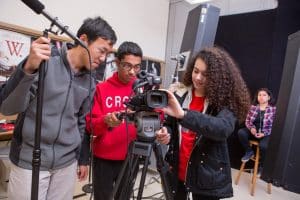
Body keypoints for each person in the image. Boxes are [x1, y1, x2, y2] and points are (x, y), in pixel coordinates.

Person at [0, 16, 117, 200]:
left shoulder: (90, 82)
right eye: (101, 51)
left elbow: (81, 123)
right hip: (30, 162)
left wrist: (81, 158)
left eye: (107, 55)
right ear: (83, 40)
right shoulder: (45, 61)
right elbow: (8, 108)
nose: (103, 59)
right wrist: (29, 68)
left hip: (66, 164)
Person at [155, 46, 251, 200]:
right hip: (178, 167)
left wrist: (184, 114)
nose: (198, 77)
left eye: (205, 74)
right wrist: (166, 133)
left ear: (217, 77)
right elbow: (170, 123)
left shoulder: (224, 101)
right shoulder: (181, 93)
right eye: (195, 71)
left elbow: (222, 128)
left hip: (207, 174)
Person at [82, 41, 143, 200]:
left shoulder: (141, 90)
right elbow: (90, 126)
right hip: (103, 159)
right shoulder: (101, 89)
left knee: (124, 197)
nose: (132, 72)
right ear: (117, 63)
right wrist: (106, 121)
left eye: (137, 67)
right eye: (127, 66)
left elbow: (156, 116)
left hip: (131, 157)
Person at [237, 88, 276, 170]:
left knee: (263, 146)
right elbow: (247, 121)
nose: (261, 97)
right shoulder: (253, 108)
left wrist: (264, 133)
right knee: (241, 132)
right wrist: (251, 128)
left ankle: (261, 166)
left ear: (269, 97)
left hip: (266, 133)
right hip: (254, 132)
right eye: (259, 95)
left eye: (264, 95)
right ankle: (249, 151)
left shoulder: (273, 110)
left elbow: (275, 125)